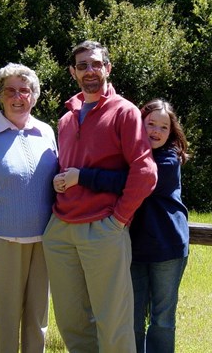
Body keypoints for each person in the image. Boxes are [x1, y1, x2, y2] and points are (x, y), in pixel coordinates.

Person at [42, 40, 158, 353]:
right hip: (60, 229)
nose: (90, 71)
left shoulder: (125, 112)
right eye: (82, 66)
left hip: (103, 228)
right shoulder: (66, 119)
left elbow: (145, 173)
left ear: (107, 68)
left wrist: (119, 219)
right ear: (72, 72)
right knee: (71, 321)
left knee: (113, 322)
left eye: (96, 64)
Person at [54, 99, 190, 353]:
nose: (156, 131)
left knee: (162, 318)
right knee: (132, 317)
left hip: (167, 248)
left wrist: (80, 176)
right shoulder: (131, 156)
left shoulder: (168, 161)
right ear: (138, 124)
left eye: (164, 127)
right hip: (134, 247)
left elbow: (128, 181)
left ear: (171, 133)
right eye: (150, 124)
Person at [0, 63, 58, 353]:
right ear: (1, 96)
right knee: (6, 317)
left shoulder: (46, 132)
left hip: (44, 242)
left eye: (24, 90)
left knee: (37, 319)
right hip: (2, 242)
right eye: (10, 90)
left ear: (34, 95)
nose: (18, 97)